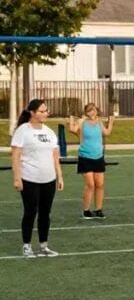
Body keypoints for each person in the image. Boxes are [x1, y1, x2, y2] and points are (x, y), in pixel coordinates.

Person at [11, 99, 63, 258]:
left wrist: (59, 176)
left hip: (49, 179)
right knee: (30, 212)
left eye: (46, 111)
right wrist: (17, 178)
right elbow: (15, 155)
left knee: (45, 213)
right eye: (41, 111)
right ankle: (27, 246)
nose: (45, 113)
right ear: (32, 113)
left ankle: (43, 246)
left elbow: (55, 156)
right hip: (29, 178)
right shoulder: (23, 131)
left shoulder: (49, 132)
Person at [68, 102, 113, 219]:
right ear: (86, 112)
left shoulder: (99, 122)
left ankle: (98, 210)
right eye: (89, 110)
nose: (92, 112)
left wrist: (111, 122)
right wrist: (72, 118)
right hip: (85, 157)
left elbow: (107, 133)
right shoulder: (82, 122)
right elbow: (72, 129)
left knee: (100, 184)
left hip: (98, 156)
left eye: (93, 110)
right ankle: (86, 210)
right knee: (90, 185)